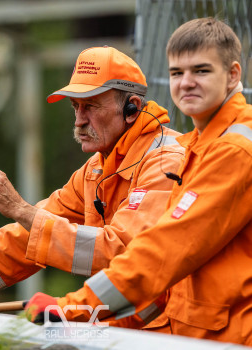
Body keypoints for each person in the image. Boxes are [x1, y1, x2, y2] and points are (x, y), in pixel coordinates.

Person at [0, 47, 183, 319]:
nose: (79, 121)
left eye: (91, 107)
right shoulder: (97, 167)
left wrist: (22, 211)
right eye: (76, 107)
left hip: (175, 335)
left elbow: (125, 254)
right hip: (131, 326)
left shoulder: (164, 162)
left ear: (131, 109)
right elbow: (23, 240)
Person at [24, 18, 252, 345]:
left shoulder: (230, 150)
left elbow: (164, 250)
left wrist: (73, 308)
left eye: (201, 71)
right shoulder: (199, 144)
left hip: (225, 339)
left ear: (232, 75)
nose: (186, 83)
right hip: (198, 335)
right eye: (177, 73)